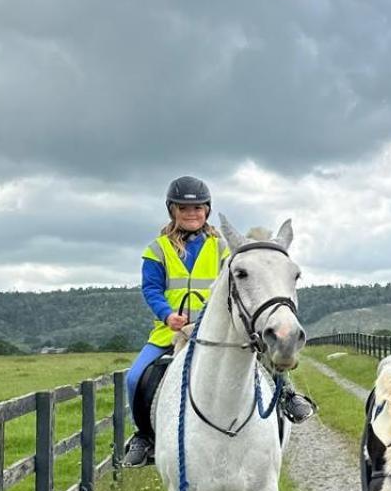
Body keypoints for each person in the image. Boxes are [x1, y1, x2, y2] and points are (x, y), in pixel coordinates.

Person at [122, 175, 312, 467]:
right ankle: (145, 436)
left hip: (218, 327)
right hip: (171, 330)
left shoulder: (221, 246)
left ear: (207, 210)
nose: (192, 213)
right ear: (172, 210)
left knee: (264, 356)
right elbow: (151, 288)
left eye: (198, 208)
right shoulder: (157, 249)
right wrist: (167, 315)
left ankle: (287, 394)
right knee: (135, 377)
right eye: (184, 208)